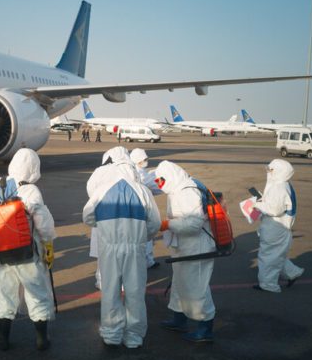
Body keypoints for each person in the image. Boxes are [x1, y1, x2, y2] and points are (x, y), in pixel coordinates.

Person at [0, 148, 56, 350]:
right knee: (36, 292)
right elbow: (43, 223)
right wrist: (47, 243)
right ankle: (41, 339)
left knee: (5, 293)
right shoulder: (31, 190)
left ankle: (3, 338)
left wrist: (1, 227)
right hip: (28, 249)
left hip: (1, 248)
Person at [83, 147, 161, 349]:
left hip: (108, 247)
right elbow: (154, 223)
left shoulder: (101, 190)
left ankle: (111, 334)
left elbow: (88, 216)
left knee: (110, 290)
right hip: (135, 248)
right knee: (135, 291)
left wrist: (105, 226)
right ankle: (134, 336)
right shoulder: (142, 190)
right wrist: (142, 237)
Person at [153, 160, 216, 342]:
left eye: (160, 181)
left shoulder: (187, 191)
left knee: (197, 288)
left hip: (197, 248)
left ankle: (205, 329)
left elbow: (194, 224)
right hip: (184, 246)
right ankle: (179, 320)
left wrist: (167, 224)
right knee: (180, 285)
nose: (159, 185)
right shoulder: (179, 188)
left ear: (170, 177)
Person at [253, 159, 304, 292]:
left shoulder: (279, 187)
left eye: (271, 170)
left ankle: (268, 285)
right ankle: (292, 272)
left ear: (280, 172)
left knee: (268, 256)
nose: (269, 173)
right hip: (278, 227)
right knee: (276, 254)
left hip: (276, 228)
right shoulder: (283, 184)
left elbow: (275, 210)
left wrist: (256, 204)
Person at [130, 148, 161, 270]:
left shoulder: (142, 171)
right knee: (143, 237)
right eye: (144, 159)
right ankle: (144, 262)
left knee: (147, 237)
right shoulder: (134, 173)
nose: (146, 161)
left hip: (145, 207)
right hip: (139, 208)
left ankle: (149, 261)